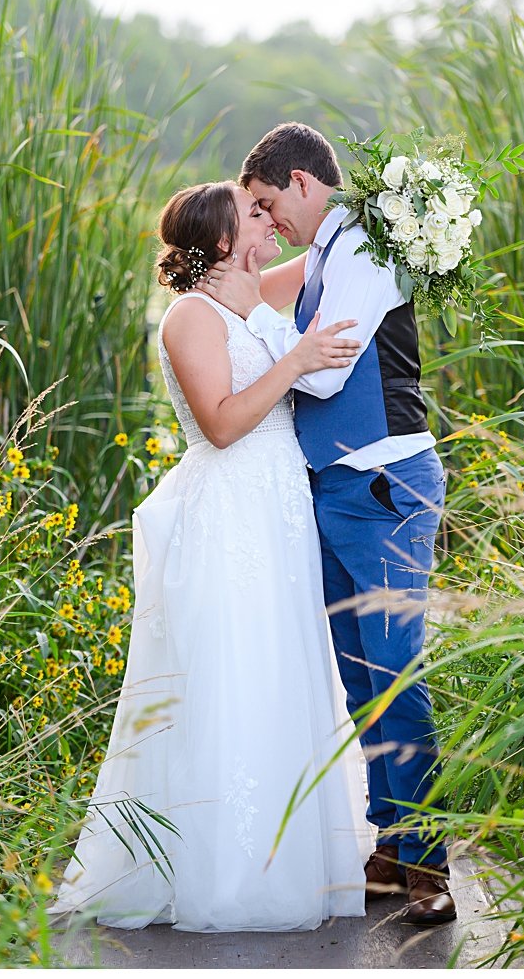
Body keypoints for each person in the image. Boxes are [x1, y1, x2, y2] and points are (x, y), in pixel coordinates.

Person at [51, 181, 371, 931]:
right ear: (222, 239)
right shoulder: (189, 316)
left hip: (279, 512)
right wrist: (293, 361)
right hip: (228, 514)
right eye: (253, 212)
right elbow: (222, 424)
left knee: (282, 669)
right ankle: (223, 874)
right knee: (229, 673)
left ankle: (289, 856)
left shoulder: (258, 290)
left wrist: (398, 207)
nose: (268, 219)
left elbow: (334, 251)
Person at [204, 122, 455, 925]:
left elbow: (330, 368)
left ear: (306, 184)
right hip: (336, 485)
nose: (269, 221)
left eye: (271, 204)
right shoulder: (323, 255)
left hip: (383, 479)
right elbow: (286, 326)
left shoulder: (367, 251)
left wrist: (272, 346)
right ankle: (391, 838)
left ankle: (431, 862)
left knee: (395, 669)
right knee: (359, 676)